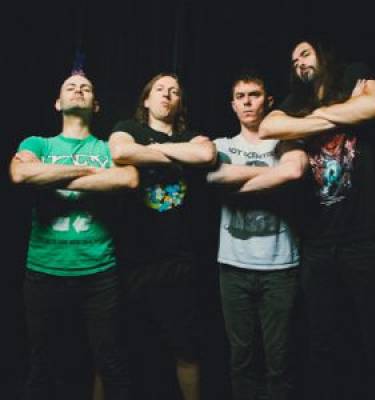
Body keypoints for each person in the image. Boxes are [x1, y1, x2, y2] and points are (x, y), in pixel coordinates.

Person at [259, 38, 375, 400]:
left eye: (304, 54)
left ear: (322, 53)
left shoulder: (352, 75)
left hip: (363, 238)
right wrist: (347, 110)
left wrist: (303, 124)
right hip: (317, 243)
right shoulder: (297, 100)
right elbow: (269, 127)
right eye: (293, 61)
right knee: (323, 342)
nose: (299, 63)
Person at [9, 71, 138, 400]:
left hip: (98, 273)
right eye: (71, 87)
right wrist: (92, 172)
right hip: (44, 269)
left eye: (86, 88)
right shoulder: (38, 143)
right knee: (41, 365)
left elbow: (128, 179)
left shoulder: (108, 147)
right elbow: (20, 173)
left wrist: (49, 175)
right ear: (58, 103)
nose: (78, 90)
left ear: (96, 105)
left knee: (111, 363)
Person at [109, 72, 216, 400]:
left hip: (180, 261)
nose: (167, 94)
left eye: (174, 91)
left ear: (180, 102)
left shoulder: (192, 135)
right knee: (124, 351)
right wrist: (176, 152)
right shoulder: (128, 128)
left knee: (187, 350)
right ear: (146, 99)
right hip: (134, 259)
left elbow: (206, 155)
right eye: (159, 89)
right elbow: (120, 152)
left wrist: (150, 151)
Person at [207, 73, 308, 400]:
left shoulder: (285, 142)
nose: (248, 101)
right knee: (242, 359)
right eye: (241, 96)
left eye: (254, 94)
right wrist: (273, 175)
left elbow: (294, 170)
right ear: (233, 105)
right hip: (233, 267)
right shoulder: (222, 146)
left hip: (280, 268)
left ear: (269, 101)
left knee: (280, 360)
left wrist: (237, 187)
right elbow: (215, 177)